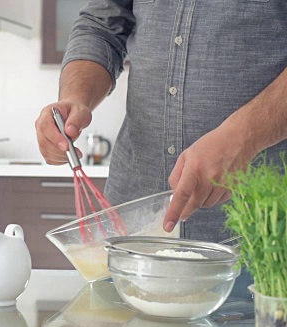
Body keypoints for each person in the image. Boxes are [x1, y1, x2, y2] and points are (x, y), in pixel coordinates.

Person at [35, 2, 286, 297]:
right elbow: (101, 26)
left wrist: (243, 138)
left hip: (261, 246)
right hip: (128, 242)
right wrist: (75, 98)